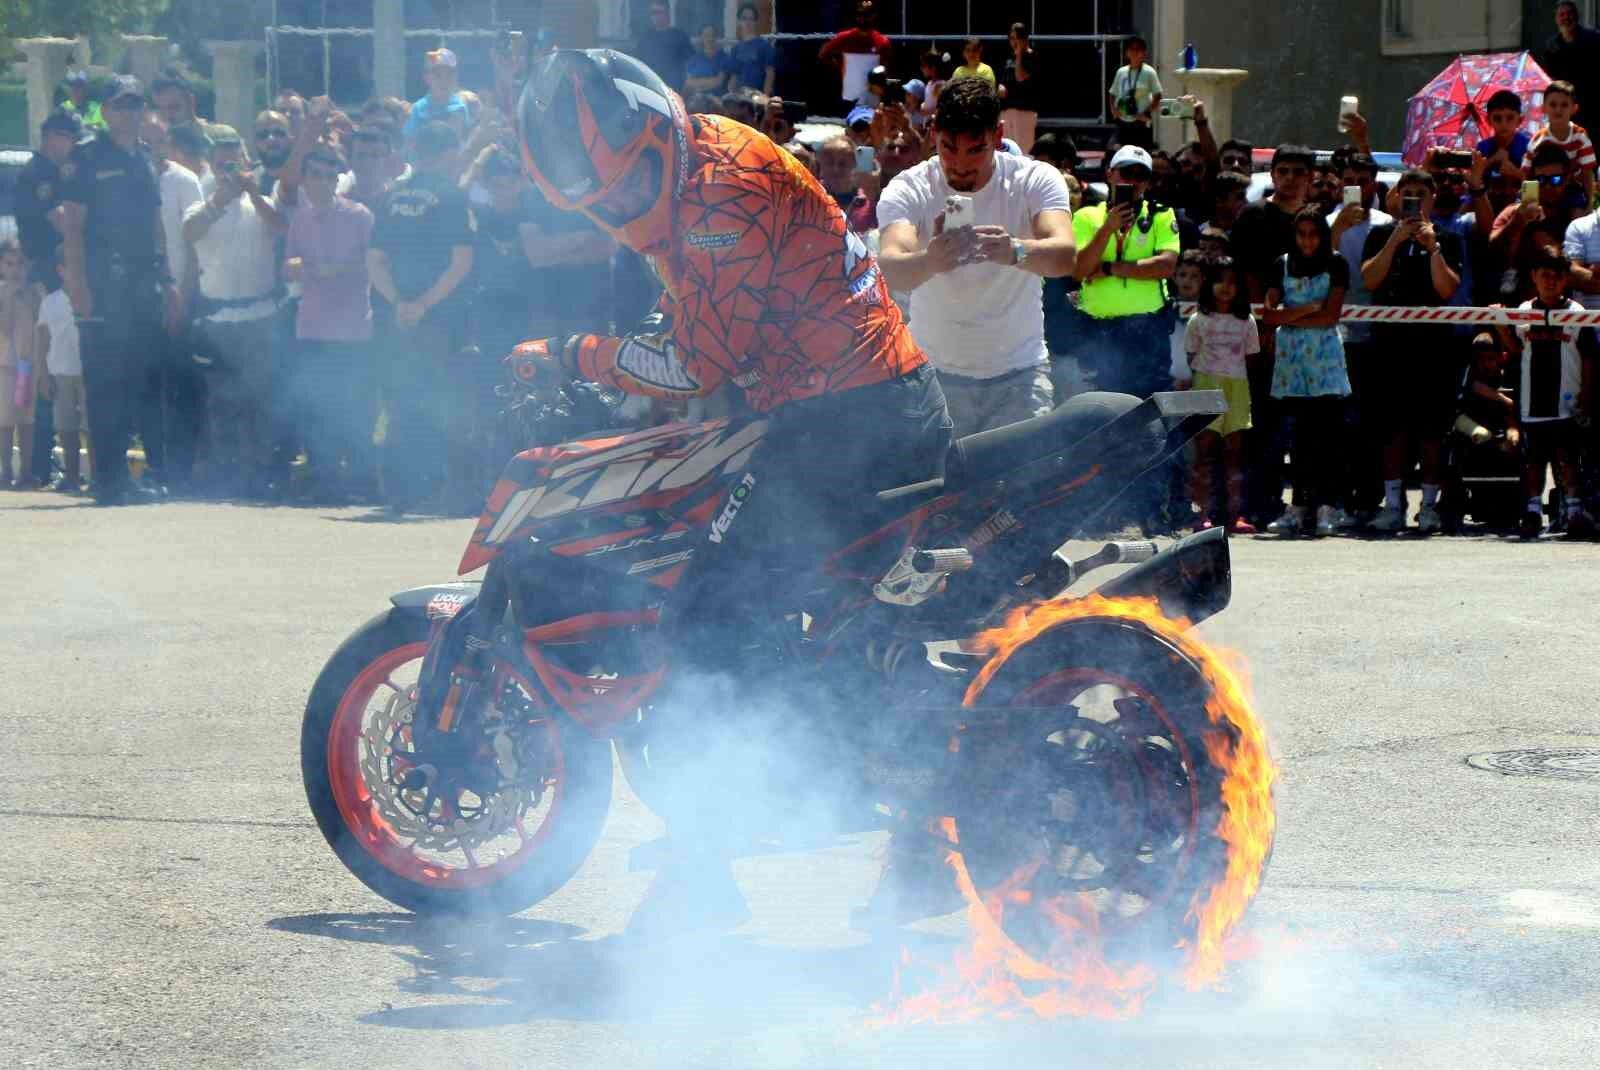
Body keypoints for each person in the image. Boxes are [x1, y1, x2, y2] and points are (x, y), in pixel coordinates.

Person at [515, 48, 948, 934]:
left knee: (704, 616)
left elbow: (692, 364)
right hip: (841, 412)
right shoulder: (695, 167)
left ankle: (706, 868)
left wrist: (574, 355)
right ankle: (891, 825)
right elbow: (697, 314)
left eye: (629, 190)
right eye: (602, 205)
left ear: (658, 133)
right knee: (803, 616)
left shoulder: (718, 199)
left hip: (848, 423)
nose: (622, 214)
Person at [877, 77, 1073, 435]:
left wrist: (1015, 250)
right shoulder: (909, 186)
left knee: (1025, 473)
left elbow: (1064, 255)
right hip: (933, 375)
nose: (960, 164)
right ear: (933, 133)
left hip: (1020, 375)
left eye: (975, 150)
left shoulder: (1035, 179)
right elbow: (890, 268)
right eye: (948, 148)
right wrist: (931, 261)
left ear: (998, 136)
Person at [55, 76, 182, 506]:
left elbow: (155, 223)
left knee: (137, 380)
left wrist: (167, 279)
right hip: (102, 283)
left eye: (135, 104)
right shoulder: (87, 156)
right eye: (120, 105)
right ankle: (108, 479)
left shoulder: (143, 157)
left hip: (142, 284)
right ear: (105, 111)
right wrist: (77, 284)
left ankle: (131, 476)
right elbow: (73, 225)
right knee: (105, 382)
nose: (129, 112)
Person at [368, 120, 475, 514]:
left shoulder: (390, 196)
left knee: (400, 401)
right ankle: (443, 489)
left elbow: (375, 260)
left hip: (396, 319)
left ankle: (400, 490)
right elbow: (461, 262)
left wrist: (400, 303)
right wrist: (425, 305)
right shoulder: (451, 196)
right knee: (443, 401)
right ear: (449, 152)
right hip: (440, 321)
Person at [182, 128, 285, 498]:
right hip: (219, 321)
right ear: (211, 165)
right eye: (222, 163)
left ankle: (258, 475)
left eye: (235, 162)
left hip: (260, 316)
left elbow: (281, 228)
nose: (230, 170)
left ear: (246, 162)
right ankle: (224, 478)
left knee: (261, 400)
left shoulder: (262, 201)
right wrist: (220, 199)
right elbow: (189, 232)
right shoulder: (201, 204)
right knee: (221, 402)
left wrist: (253, 193)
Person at [1360, 170, 1465, 534]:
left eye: (1422, 194)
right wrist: (1395, 240)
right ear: (1396, 197)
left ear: (1432, 199)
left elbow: (1447, 289)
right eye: (1408, 193)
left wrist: (1432, 247)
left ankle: (1430, 507)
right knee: (1392, 429)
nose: (1415, 200)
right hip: (1389, 345)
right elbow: (1370, 279)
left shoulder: (1448, 238)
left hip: (1433, 347)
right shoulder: (1379, 234)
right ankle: (1393, 506)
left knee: (1431, 429)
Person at [281, 144, 376, 502]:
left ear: (337, 179)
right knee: (318, 407)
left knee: (355, 408)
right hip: (312, 326)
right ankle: (325, 480)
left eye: (328, 176)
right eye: (315, 176)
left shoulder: (360, 216)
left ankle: (362, 483)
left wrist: (334, 270)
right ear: (305, 181)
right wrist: (294, 267)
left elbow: (374, 264)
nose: (322, 182)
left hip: (352, 327)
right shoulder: (300, 219)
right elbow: (289, 265)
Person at [1262, 208, 1350, 537]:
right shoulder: (1281, 264)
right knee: (1298, 439)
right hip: (1293, 363)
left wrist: (1291, 314)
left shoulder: (1337, 263)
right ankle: (1298, 506)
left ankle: (1327, 506)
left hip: (1325, 360)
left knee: (1327, 437)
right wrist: (1309, 308)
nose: (1307, 241)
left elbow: (1331, 316)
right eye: (1301, 234)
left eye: (1313, 234)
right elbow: (1268, 315)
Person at [1071, 145, 1181, 398]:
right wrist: (1107, 228)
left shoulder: (1161, 215)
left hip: (1147, 329)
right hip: (1098, 329)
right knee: (1101, 407)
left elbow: (1165, 266)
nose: (1133, 181)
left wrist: (1108, 268)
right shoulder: (1087, 216)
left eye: (1140, 175)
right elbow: (1079, 270)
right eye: (1126, 173)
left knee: (1150, 406)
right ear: (1110, 174)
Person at [1503, 250, 1597, 537]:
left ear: (1565, 279)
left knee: (1568, 459)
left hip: (1566, 402)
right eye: (1545, 275)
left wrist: (1586, 396)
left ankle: (1574, 511)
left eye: (1557, 276)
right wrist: (1499, 323)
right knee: (1534, 461)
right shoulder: (1524, 311)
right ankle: (1533, 511)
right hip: (1533, 402)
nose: (1551, 281)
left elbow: (1590, 358)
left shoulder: (1577, 313)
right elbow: (1516, 349)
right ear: (1534, 277)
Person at [16, 109, 83, 288]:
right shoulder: (37, 172)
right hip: (45, 265)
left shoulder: (57, 170)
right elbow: (60, 219)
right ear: (51, 136)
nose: (75, 144)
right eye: (71, 138)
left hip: (58, 263)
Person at [35, 252, 85, 491]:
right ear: (61, 270)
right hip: (60, 371)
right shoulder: (50, 302)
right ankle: (72, 477)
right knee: (66, 426)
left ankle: (98, 477)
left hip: (87, 370)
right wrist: (43, 374)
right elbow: (42, 339)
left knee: (90, 426)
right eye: (70, 267)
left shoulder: (89, 297)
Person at [0, 241, 41, 488]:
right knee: (5, 421)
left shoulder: (35, 292)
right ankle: (6, 471)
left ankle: (26, 472)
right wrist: (10, 298)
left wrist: (26, 296)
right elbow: (4, 328)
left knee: (27, 419)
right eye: (9, 264)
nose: (15, 269)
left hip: (28, 364)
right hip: (5, 365)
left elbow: (41, 321)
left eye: (20, 264)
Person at [819, 0, 893, 111]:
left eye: (867, 15)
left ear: (874, 16)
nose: (863, 18)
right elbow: (823, 54)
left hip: (872, 99)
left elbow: (885, 70)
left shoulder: (882, 42)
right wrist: (840, 67)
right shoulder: (844, 38)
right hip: (850, 97)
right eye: (860, 14)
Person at [404, 49, 479, 144]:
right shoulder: (418, 109)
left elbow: (465, 139)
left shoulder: (460, 107)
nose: (444, 81)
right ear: (427, 78)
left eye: (450, 75)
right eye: (438, 75)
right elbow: (409, 142)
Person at [1540, 0, 1600, 116]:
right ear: (1556, 19)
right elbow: (1548, 75)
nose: (1566, 18)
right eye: (1562, 15)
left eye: (1569, 14)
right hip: (1564, 105)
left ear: (1577, 16)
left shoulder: (1594, 39)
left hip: (1591, 103)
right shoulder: (1551, 45)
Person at [1107, 35, 1161, 151]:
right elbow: (1112, 93)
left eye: (1138, 49)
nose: (1135, 52)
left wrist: (1146, 113)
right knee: (1121, 153)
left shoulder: (1149, 72)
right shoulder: (1121, 72)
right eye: (1132, 49)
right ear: (1127, 53)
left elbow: (1158, 95)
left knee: (1142, 153)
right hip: (1123, 121)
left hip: (1141, 122)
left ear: (1144, 53)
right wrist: (1114, 110)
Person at [633, 0, 696, 92]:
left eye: (658, 12)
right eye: (652, 13)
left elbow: (691, 63)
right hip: (651, 87)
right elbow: (637, 62)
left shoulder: (679, 36)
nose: (654, 16)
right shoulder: (645, 37)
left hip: (673, 88)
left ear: (667, 13)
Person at [998, 23, 1040, 154]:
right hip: (1007, 110)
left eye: (1017, 38)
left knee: (1023, 151)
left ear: (1025, 39)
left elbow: (1020, 76)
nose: (1014, 42)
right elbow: (1005, 79)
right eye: (1012, 38)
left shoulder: (1031, 56)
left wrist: (1020, 53)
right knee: (1007, 151)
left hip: (1024, 111)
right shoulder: (1009, 57)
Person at [1476, 88, 1531, 183]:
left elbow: (1538, 182)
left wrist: (1517, 173)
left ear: (1520, 120)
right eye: (1497, 118)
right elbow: (1475, 179)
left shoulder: (1529, 147)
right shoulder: (1482, 148)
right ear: (1488, 120)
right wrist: (1492, 160)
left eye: (1510, 118)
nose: (1503, 124)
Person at [729, 2, 776, 96]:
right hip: (741, 96)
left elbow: (770, 74)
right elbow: (734, 75)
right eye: (744, 18)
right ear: (739, 22)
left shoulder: (765, 45)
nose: (748, 22)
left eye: (751, 19)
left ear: (756, 22)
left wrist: (765, 98)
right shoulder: (735, 48)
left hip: (758, 96)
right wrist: (731, 92)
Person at [684, 24, 733, 95]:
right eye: (706, 35)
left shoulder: (724, 57)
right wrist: (710, 80)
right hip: (696, 98)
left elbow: (719, 82)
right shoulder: (694, 59)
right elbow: (688, 82)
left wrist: (698, 83)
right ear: (701, 37)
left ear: (717, 37)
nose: (710, 39)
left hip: (717, 98)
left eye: (713, 35)